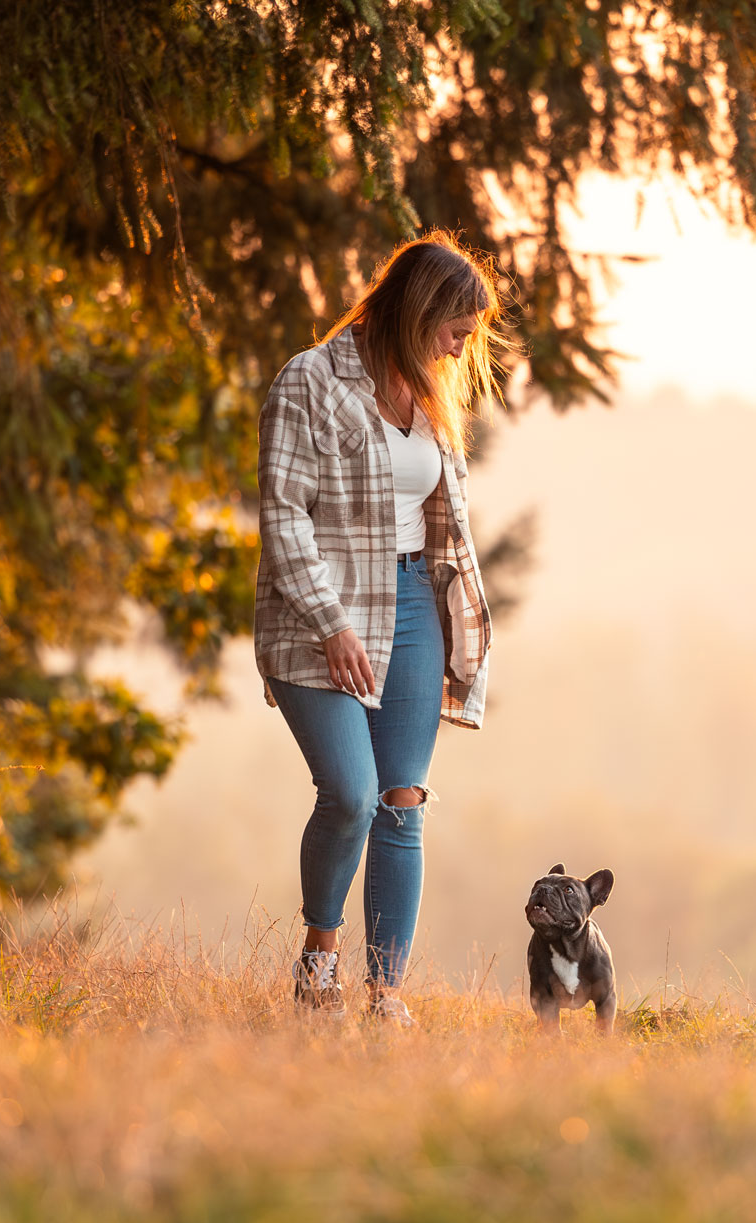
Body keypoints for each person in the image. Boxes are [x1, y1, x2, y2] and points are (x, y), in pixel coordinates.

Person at [253, 230, 504, 1025]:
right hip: (317, 611)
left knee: (402, 799)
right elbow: (282, 514)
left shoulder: (430, 390)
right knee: (352, 794)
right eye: (456, 328)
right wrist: (330, 622)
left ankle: (384, 994)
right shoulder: (312, 381)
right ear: (418, 306)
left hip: (411, 600)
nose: (464, 346)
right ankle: (319, 961)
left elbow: (441, 516)